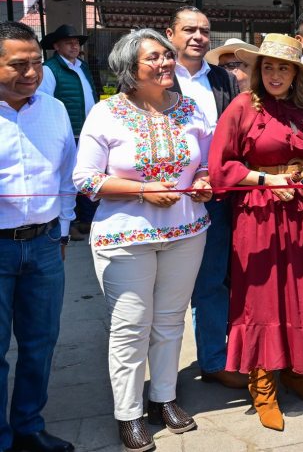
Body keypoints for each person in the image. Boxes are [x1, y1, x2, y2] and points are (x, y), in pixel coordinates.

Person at [74, 29, 213, 451]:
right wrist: (141, 190)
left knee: (170, 320)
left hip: (188, 231)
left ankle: (164, 398)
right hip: (125, 237)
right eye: (154, 57)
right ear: (130, 68)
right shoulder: (107, 112)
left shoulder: (189, 107)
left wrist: (204, 179)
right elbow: (86, 178)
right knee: (131, 326)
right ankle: (129, 413)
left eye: (167, 56)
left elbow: (204, 161)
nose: (166, 63)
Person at [208, 33, 303, 431]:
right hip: (258, 217)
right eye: (269, 66)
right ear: (258, 70)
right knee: (262, 299)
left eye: (283, 67)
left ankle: (298, 370)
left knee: (302, 292)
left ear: (296, 73)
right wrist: (265, 179)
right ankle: (262, 384)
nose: (276, 74)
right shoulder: (242, 106)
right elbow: (220, 168)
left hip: (300, 213)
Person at [0, 22, 76, 452]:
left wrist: (63, 232)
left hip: (46, 244)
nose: (31, 73)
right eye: (18, 64)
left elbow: (66, 174)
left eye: (35, 63)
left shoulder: (53, 110)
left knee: (40, 343)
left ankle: (28, 425)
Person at [164, 7, 244, 390]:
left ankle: (213, 360)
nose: (197, 36)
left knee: (212, 282)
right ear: (170, 33)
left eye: (204, 30)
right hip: (166, 200)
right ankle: (162, 378)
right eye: (189, 30)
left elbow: (236, 133)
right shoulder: (158, 76)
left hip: (215, 197)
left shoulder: (224, 78)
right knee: (166, 292)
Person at [39, 24, 100, 241]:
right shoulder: (49, 69)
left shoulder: (82, 66)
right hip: (68, 132)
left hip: (87, 130)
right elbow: (44, 101)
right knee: (67, 177)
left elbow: (92, 93)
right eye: (69, 42)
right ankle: (69, 222)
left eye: (76, 43)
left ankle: (85, 219)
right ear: (56, 46)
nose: (74, 46)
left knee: (86, 175)